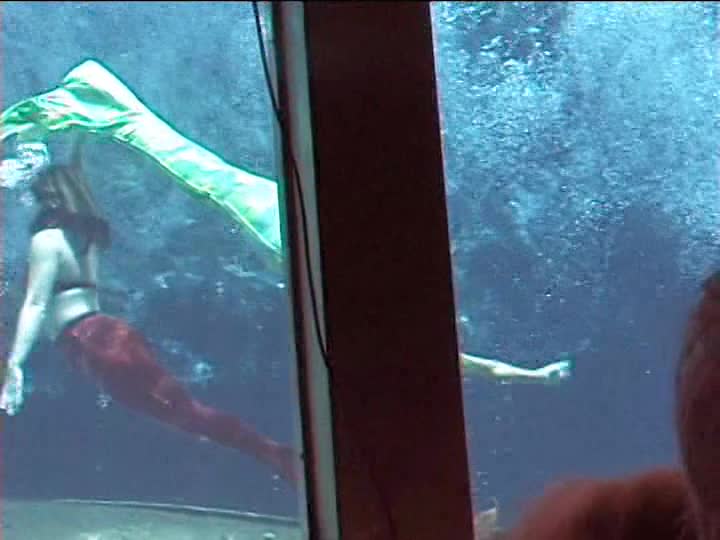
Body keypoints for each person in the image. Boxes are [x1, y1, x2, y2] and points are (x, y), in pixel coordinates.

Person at [0, 138, 300, 488]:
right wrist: (79, 137)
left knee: (187, 415)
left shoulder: (47, 241)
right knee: (186, 413)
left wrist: (16, 363)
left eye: (32, 196)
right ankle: (272, 453)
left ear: (47, 198)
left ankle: (276, 455)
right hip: (108, 336)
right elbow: (78, 181)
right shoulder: (87, 232)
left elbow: (36, 304)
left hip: (93, 342)